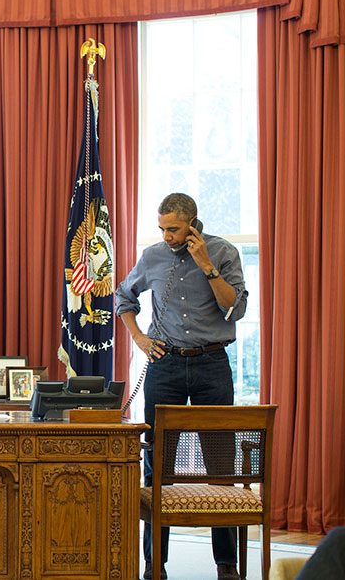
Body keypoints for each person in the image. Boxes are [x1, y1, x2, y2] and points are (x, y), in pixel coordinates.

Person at [115, 193, 248, 580]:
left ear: (193, 223)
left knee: (221, 464)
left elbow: (234, 308)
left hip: (211, 363)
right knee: (158, 466)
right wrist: (139, 338)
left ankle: (226, 565)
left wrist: (206, 265)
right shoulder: (154, 256)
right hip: (165, 364)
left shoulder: (223, 253)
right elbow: (124, 296)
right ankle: (155, 564)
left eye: (173, 229)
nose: (167, 236)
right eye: (162, 228)